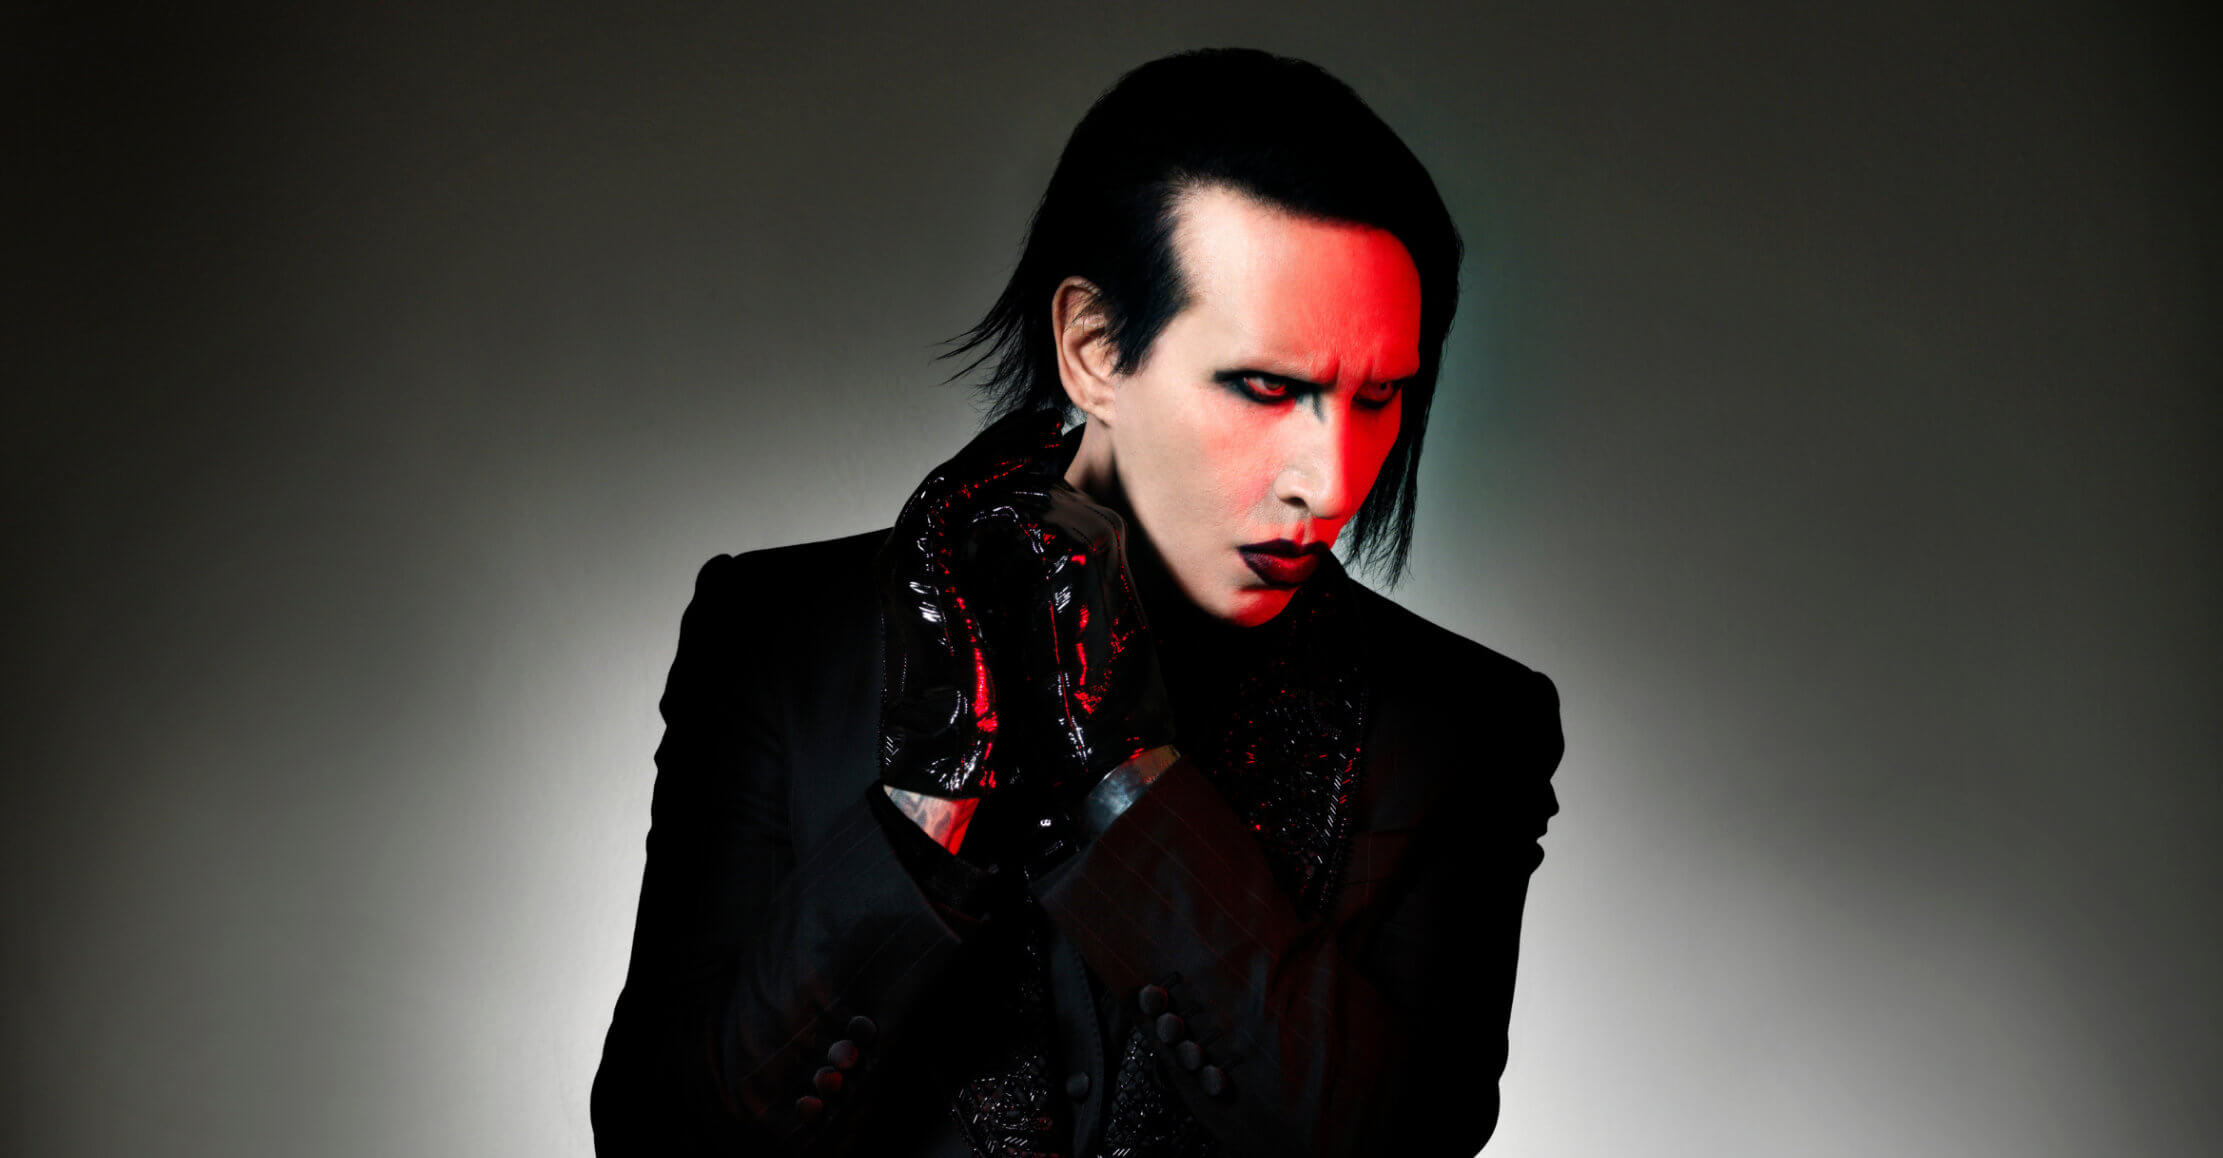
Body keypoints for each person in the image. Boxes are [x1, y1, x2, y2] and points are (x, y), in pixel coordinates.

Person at [590, 47, 1565, 1158]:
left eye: (1379, 396)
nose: (1332, 482)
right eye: (1266, 387)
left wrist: (1127, 788)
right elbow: (662, 1139)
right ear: (1094, 349)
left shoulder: (1463, 727)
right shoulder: (776, 641)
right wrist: (931, 797)